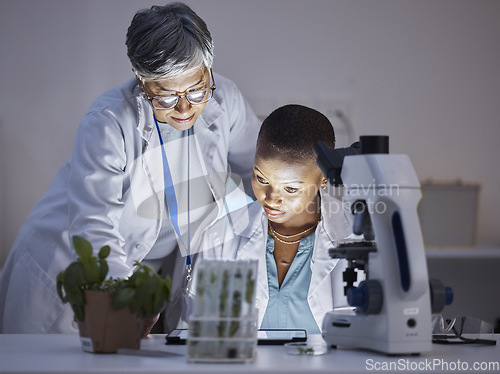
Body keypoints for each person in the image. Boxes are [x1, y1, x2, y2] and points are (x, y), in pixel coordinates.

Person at [0, 2, 260, 335]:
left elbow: (261, 173)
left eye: (196, 89)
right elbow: (95, 227)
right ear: (141, 80)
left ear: (208, 69)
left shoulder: (226, 100)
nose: (184, 107)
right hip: (69, 272)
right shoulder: (108, 123)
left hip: (148, 279)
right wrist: (126, 296)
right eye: (165, 95)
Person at [196, 104, 360, 334]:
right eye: (261, 179)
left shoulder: (358, 234)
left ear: (324, 179)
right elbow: (200, 336)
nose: (271, 199)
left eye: (291, 189)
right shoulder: (222, 234)